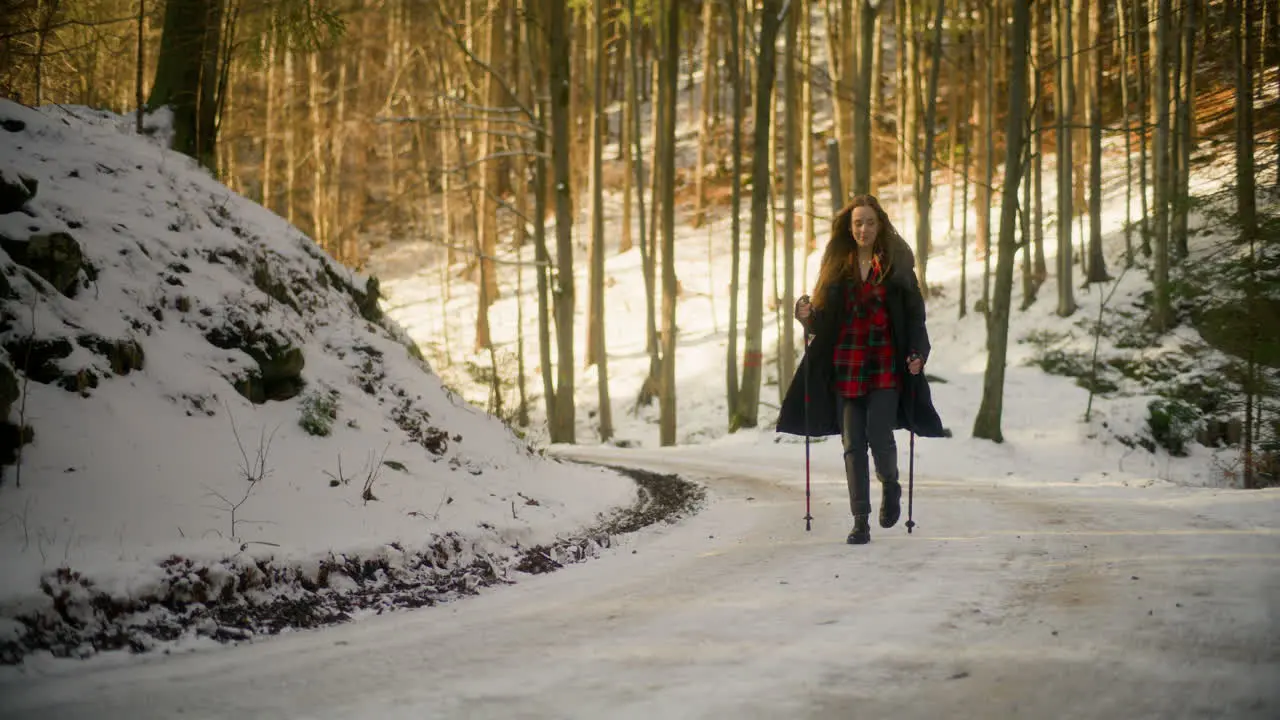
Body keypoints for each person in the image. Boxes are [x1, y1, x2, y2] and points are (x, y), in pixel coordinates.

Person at [776, 195, 945, 545]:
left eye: (869, 222)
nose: (863, 229)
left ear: (879, 224)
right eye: (857, 223)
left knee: (879, 435)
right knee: (852, 443)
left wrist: (918, 352)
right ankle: (860, 520)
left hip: (885, 363)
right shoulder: (838, 266)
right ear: (849, 228)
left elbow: (915, 317)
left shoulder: (896, 266)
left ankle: (891, 484)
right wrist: (807, 316)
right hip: (846, 364)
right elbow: (823, 320)